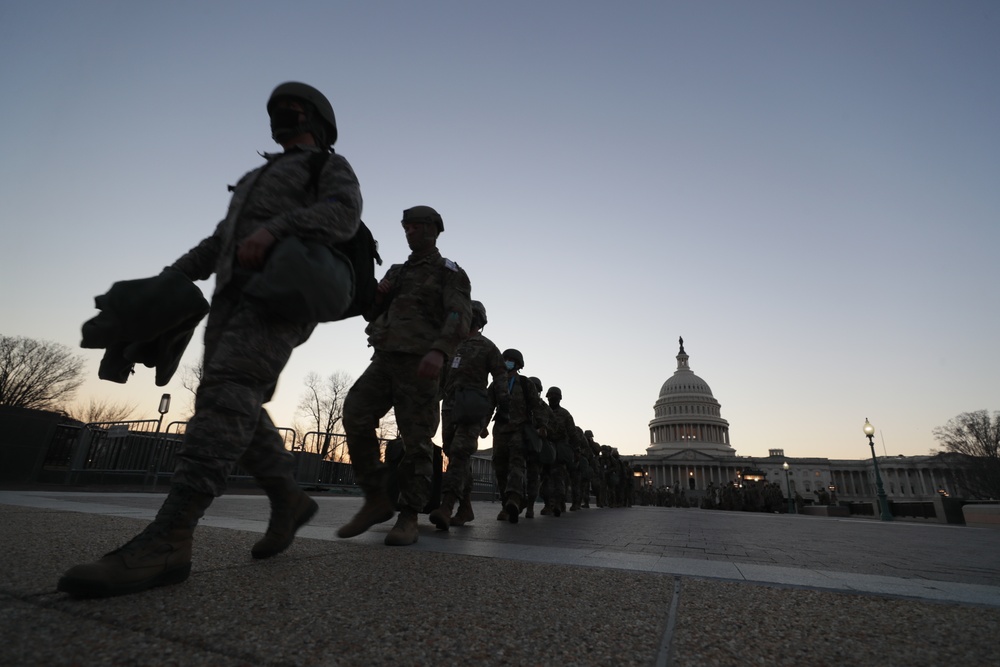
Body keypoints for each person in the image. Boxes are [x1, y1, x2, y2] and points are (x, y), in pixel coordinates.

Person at [58, 81, 363, 598]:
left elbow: (343, 213)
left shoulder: (327, 167)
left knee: (226, 396)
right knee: (231, 398)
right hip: (230, 303)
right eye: (274, 112)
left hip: (279, 296)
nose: (279, 119)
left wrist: (276, 230)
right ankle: (287, 496)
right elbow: (223, 240)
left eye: (290, 111)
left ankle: (171, 536)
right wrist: (169, 279)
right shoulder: (256, 176)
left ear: (316, 119)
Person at [337, 205, 472, 546]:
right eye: (406, 227)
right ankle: (376, 496)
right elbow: (371, 312)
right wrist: (372, 292)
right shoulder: (396, 272)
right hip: (384, 359)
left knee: (416, 442)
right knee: (355, 411)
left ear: (435, 230)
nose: (410, 232)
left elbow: (459, 313)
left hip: (421, 364)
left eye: (416, 226)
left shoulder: (448, 271)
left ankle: (409, 516)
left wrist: (440, 351)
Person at [428, 300, 508, 530]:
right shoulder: (450, 344)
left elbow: (500, 374)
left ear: (480, 321)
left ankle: (447, 506)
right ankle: (466, 507)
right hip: (449, 407)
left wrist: (503, 403)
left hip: (472, 405)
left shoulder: (487, 346)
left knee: (460, 451)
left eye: (472, 315)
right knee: (454, 455)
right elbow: (440, 375)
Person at [489, 348, 549, 523]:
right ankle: (505, 505)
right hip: (500, 431)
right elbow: (488, 405)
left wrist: (542, 425)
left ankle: (515, 499)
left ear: (518, 364)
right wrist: (482, 426)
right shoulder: (496, 383)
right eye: (505, 359)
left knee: (516, 465)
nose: (507, 361)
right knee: (500, 468)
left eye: (510, 359)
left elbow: (537, 406)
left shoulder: (525, 383)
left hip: (519, 430)